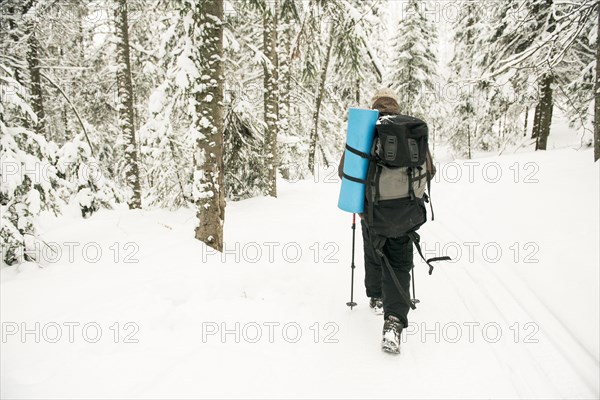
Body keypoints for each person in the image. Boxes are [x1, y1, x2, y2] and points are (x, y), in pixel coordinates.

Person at [338, 88, 436, 353]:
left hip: (372, 213)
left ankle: (377, 297)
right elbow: (431, 170)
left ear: (375, 106)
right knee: (401, 263)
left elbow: (343, 172)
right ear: (396, 107)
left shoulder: (365, 132)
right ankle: (394, 322)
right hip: (405, 214)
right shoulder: (412, 132)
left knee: (373, 252)